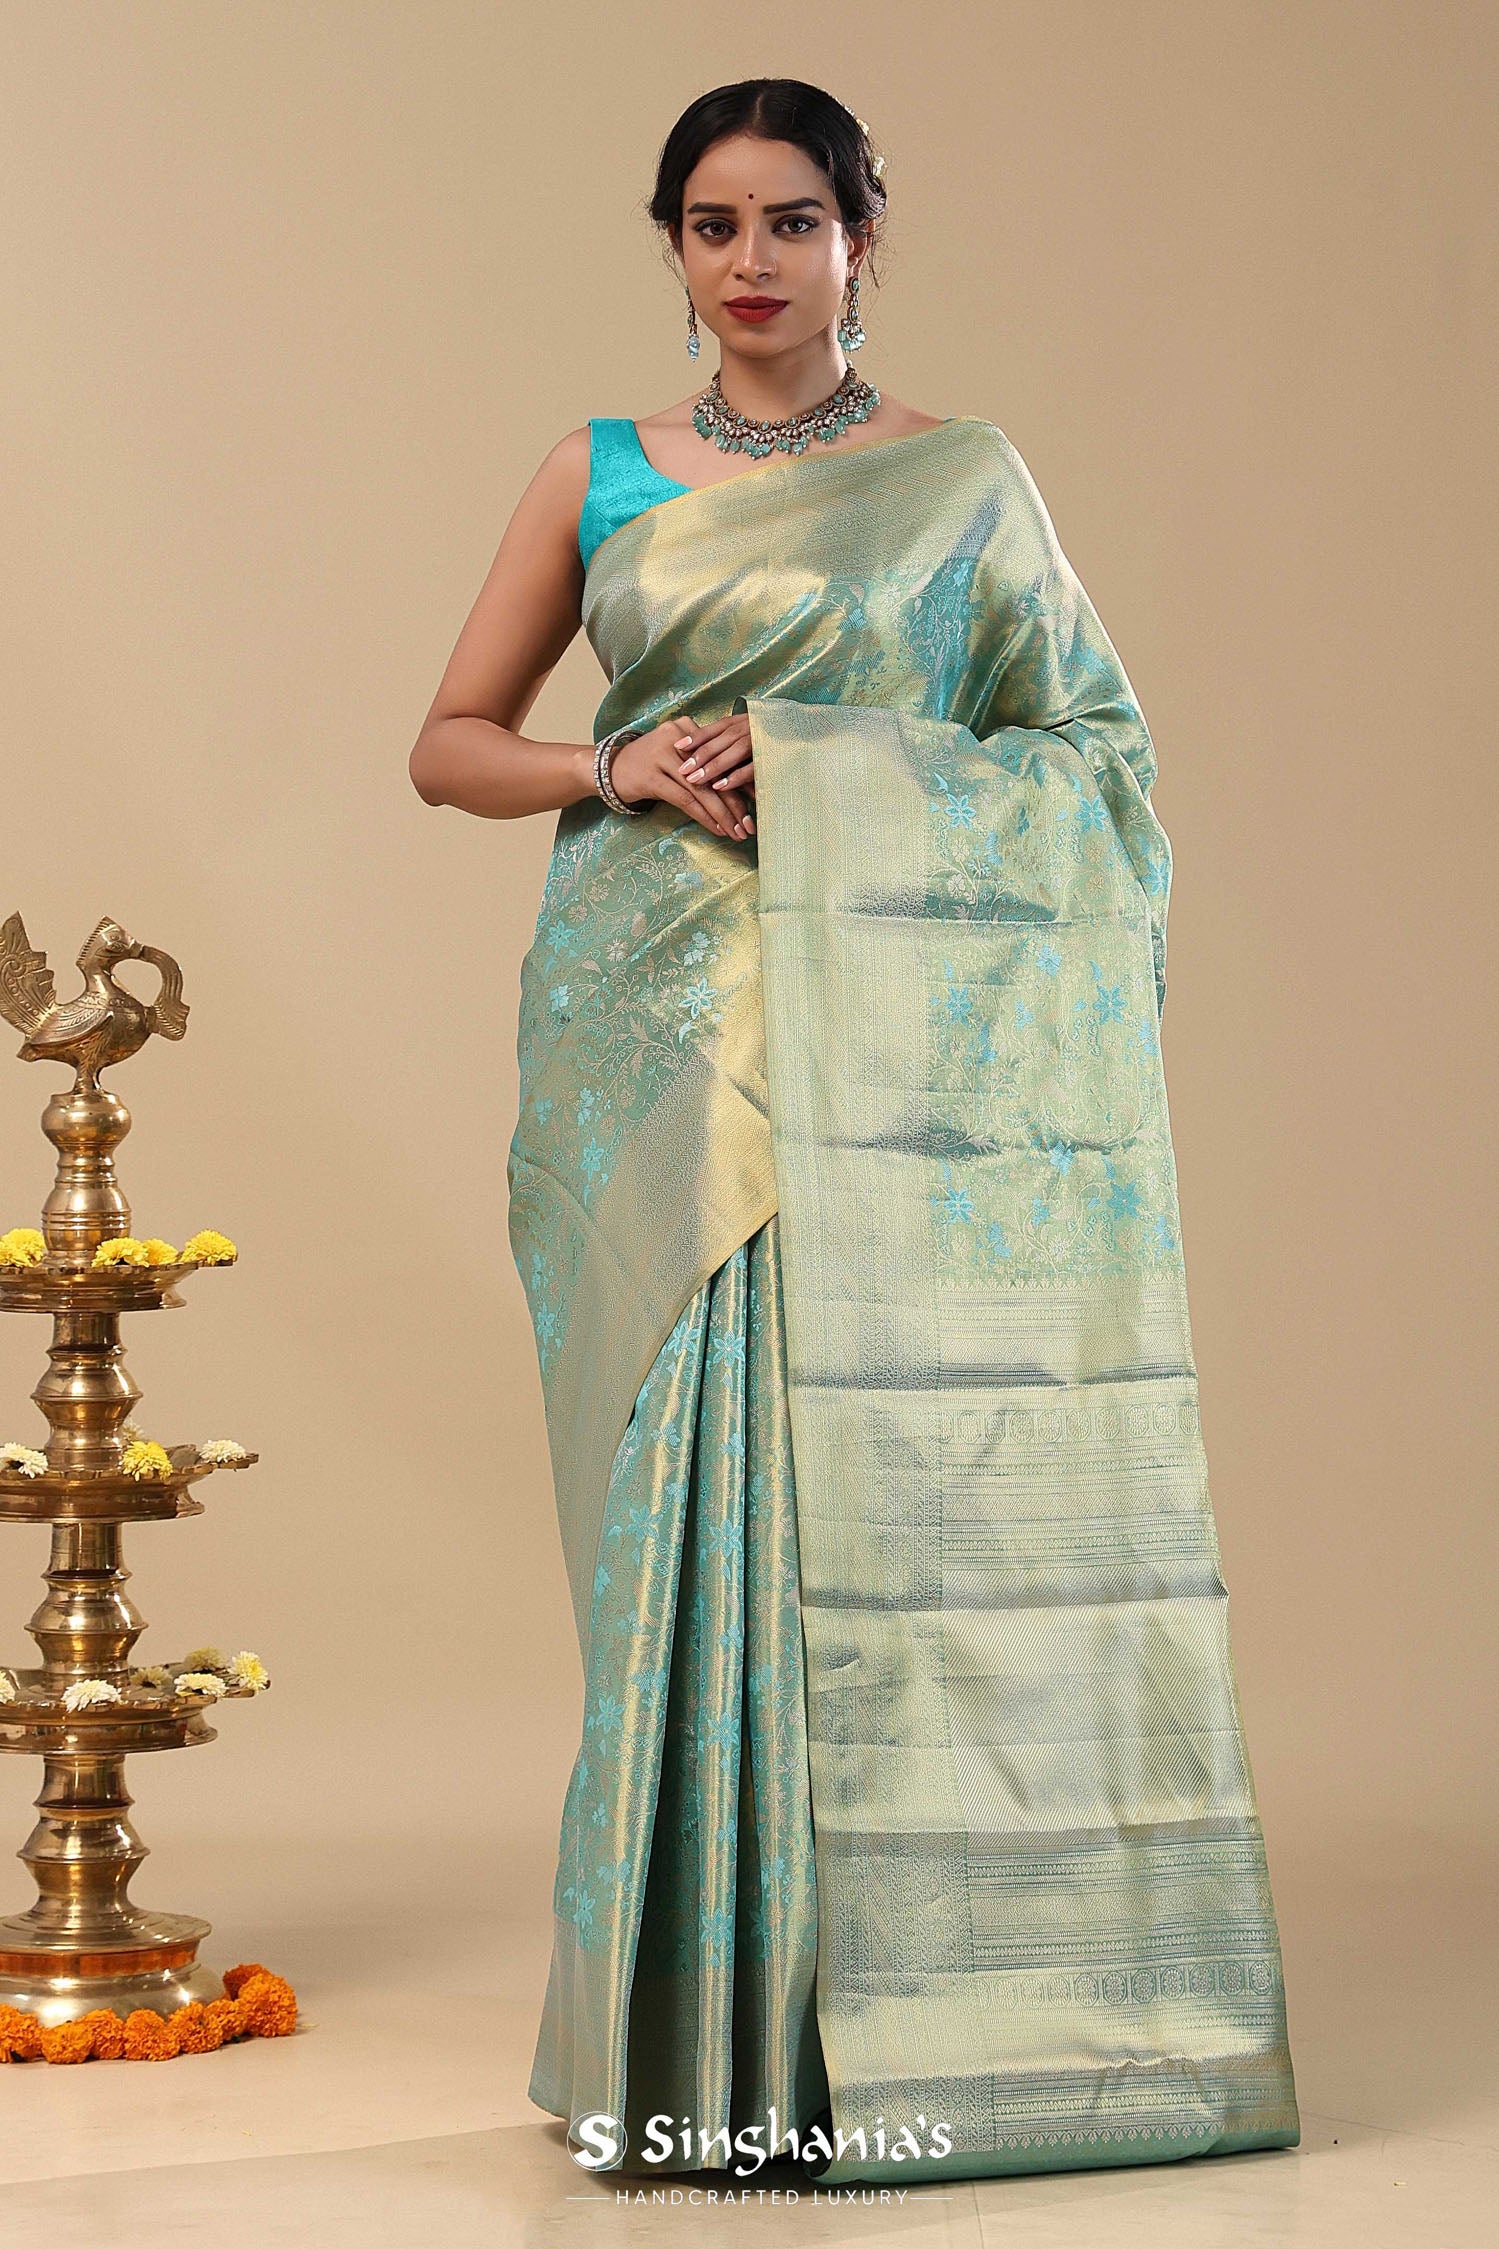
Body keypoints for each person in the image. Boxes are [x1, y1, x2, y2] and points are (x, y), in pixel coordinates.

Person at [409, 77, 1300, 2188]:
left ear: (860, 239)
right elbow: (447, 744)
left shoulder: (965, 482)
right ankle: (705, 2056)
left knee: (896, 1505)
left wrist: (818, 766)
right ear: (673, 244)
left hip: (894, 1055)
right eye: (713, 224)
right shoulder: (598, 472)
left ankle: (912, 2046)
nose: (752, 263)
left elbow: (1095, 762)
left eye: (792, 221)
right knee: (689, 1518)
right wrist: (620, 770)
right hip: (655, 1040)